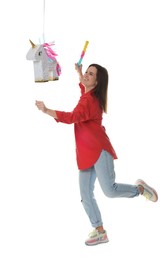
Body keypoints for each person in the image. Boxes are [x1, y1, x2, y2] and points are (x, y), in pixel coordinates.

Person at [35, 63, 158, 246]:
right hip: (86, 154)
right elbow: (84, 90)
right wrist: (80, 74)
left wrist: (46, 110)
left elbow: (71, 117)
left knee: (109, 190)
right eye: (86, 72)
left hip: (99, 150)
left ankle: (139, 189)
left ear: (97, 81)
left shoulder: (89, 101)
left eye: (90, 74)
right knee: (85, 195)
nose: (86, 75)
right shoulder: (89, 95)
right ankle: (100, 231)